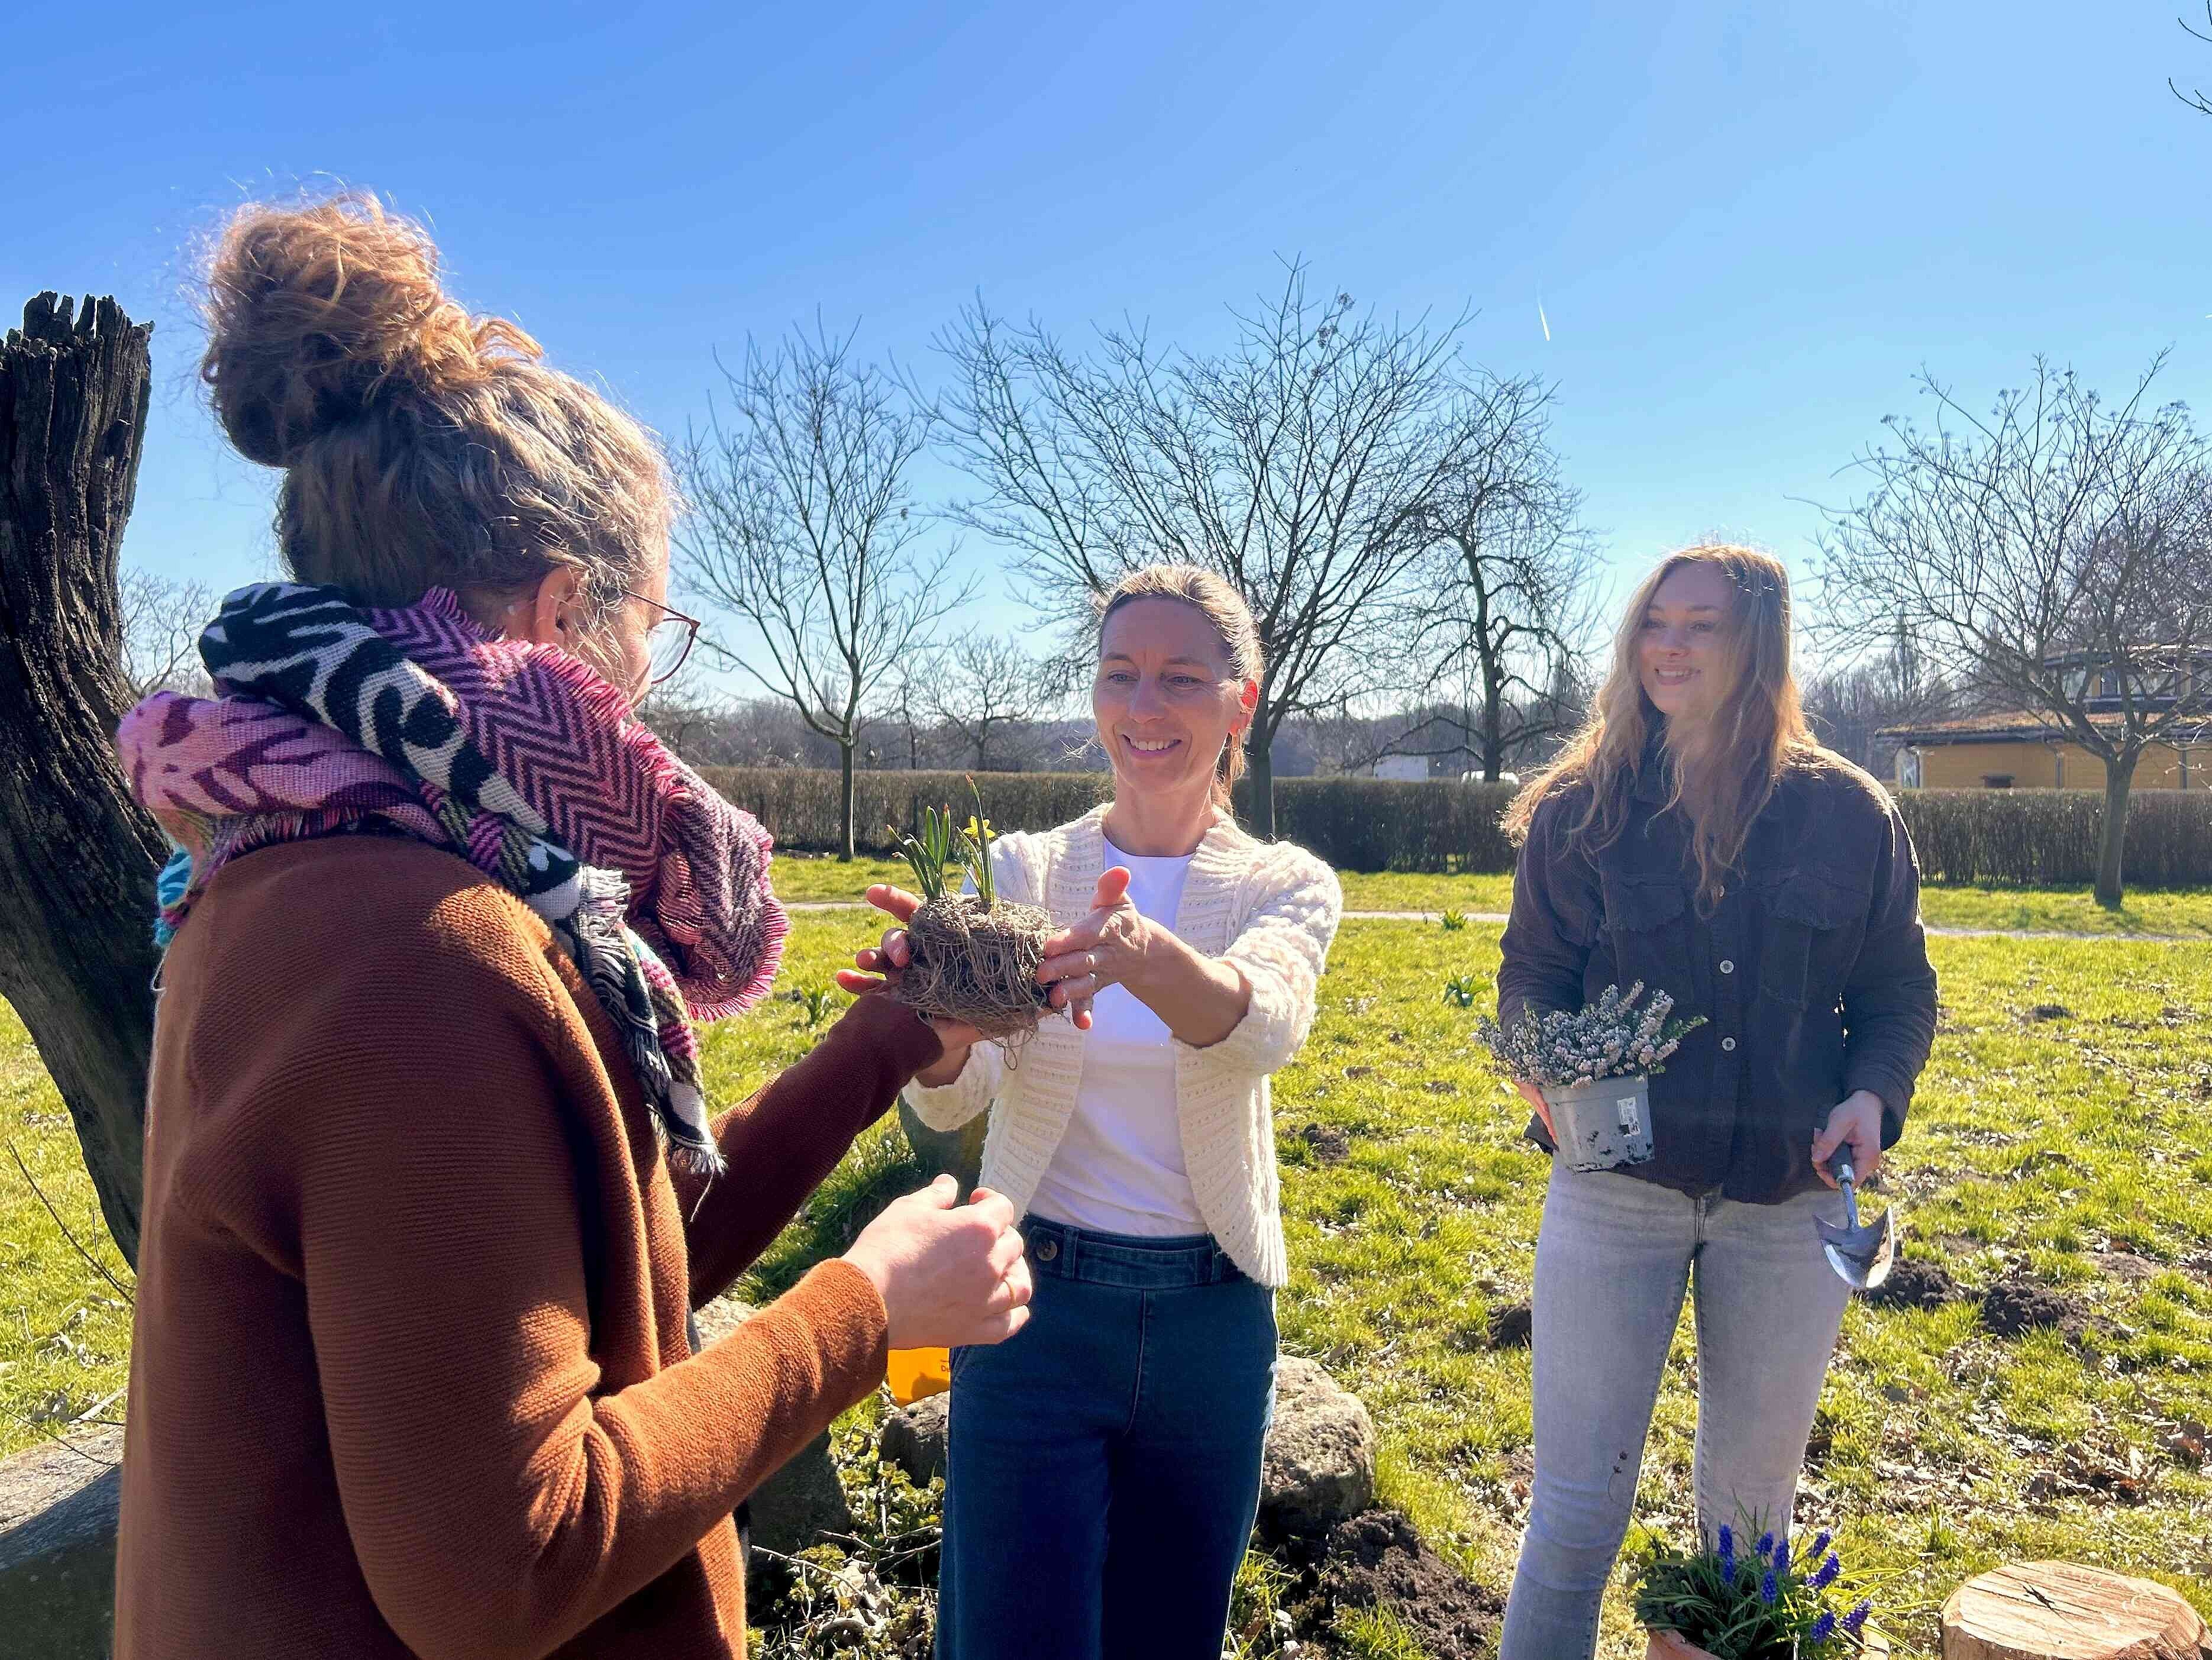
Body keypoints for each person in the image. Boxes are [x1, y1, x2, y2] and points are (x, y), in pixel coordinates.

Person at [110, 195, 1030, 1660]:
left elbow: (602, 1287)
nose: (653, 683)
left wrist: (889, 1042)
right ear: (562, 610)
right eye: (657, 623)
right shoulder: (416, 946)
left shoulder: (308, 847)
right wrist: (863, 1309)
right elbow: (505, 1563)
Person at [841, 566, 1343, 1660]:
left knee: (1169, 1635)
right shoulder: (1024, 868)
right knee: (1012, 1636)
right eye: (1121, 676)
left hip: (1212, 1316)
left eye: (1180, 678)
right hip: (1033, 1303)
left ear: (1240, 701)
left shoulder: (1283, 883)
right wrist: (936, 1034)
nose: (1144, 707)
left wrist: (1139, 953)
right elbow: (955, 1103)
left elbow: (1263, 1024)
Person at [1491, 545, 1939, 1659]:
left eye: (1703, 625)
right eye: (1656, 622)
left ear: (1762, 646)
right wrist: (1542, 1068)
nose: (1670, 646)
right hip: (1615, 1192)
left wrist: (1876, 1096)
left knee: (1748, 1523)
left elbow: (1898, 990)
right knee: (1576, 1513)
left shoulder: (1851, 814)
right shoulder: (1579, 812)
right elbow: (1532, 973)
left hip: (1792, 1203)